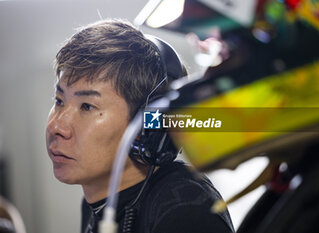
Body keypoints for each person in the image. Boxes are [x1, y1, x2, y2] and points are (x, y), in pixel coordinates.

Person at [45, 19, 235, 233]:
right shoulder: (97, 203)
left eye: (87, 106)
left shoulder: (186, 212)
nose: (57, 126)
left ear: (148, 124)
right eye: (59, 101)